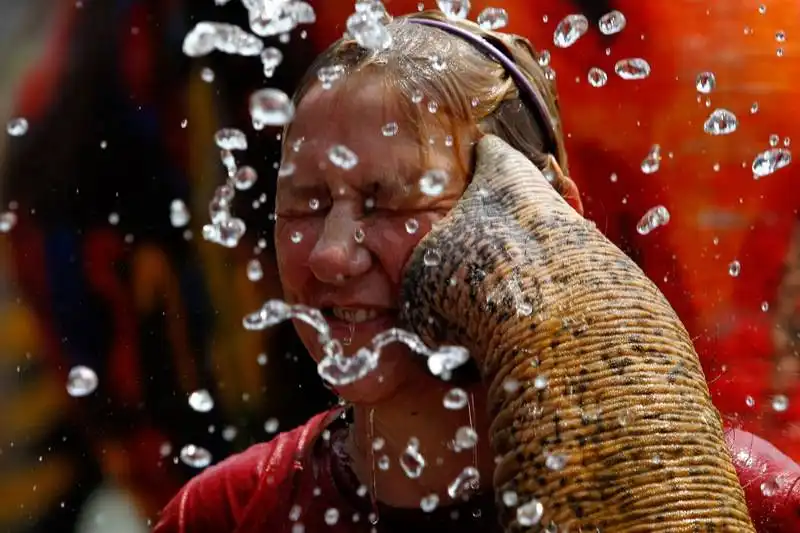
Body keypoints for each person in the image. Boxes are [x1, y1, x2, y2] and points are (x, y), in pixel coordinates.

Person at [154, 10, 800, 533]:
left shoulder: (756, 498)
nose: (329, 253)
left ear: (557, 213)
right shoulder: (228, 514)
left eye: (392, 199)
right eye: (307, 202)